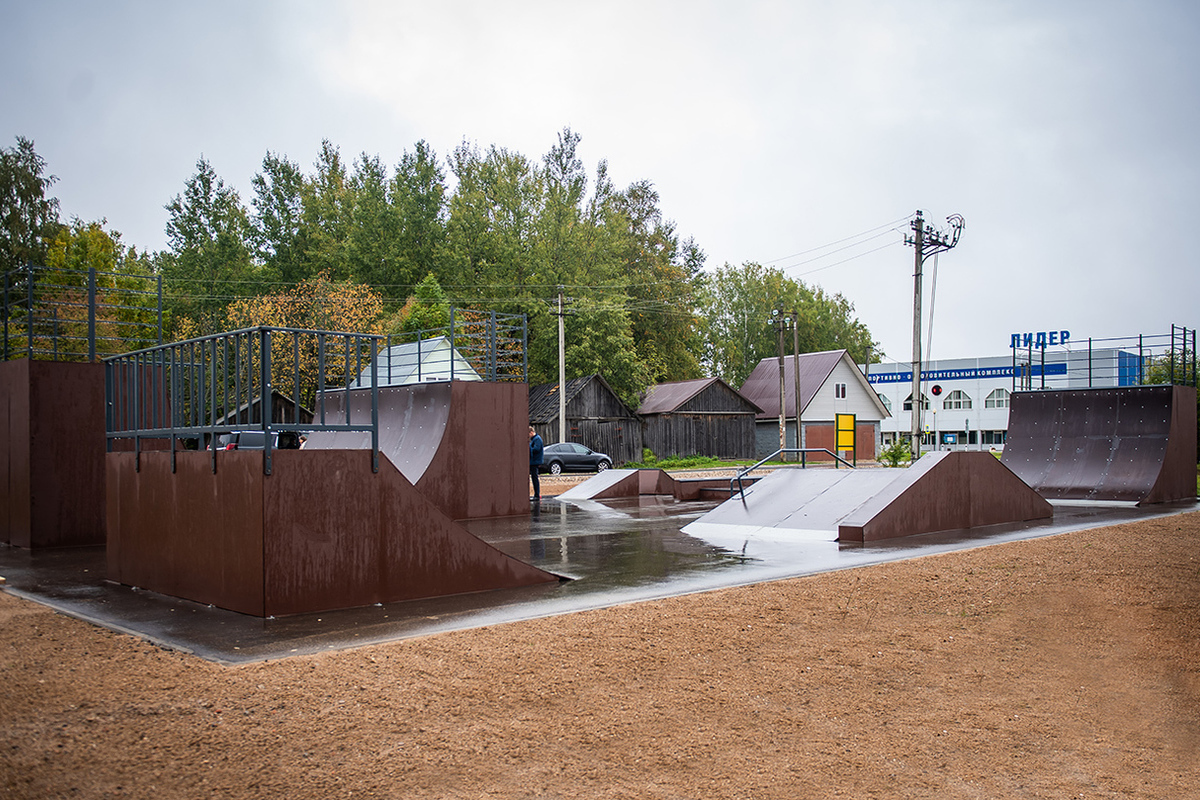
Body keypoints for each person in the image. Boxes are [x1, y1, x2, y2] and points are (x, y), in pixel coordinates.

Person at [528, 426, 544, 502]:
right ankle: (536, 494)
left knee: (535, 478)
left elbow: (536, 449)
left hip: (535, 461)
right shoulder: (535, 439)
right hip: (534, 461)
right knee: (534, 478)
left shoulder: (537, 439)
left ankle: (537, 495)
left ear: (531, 432)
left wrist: (528, 448)